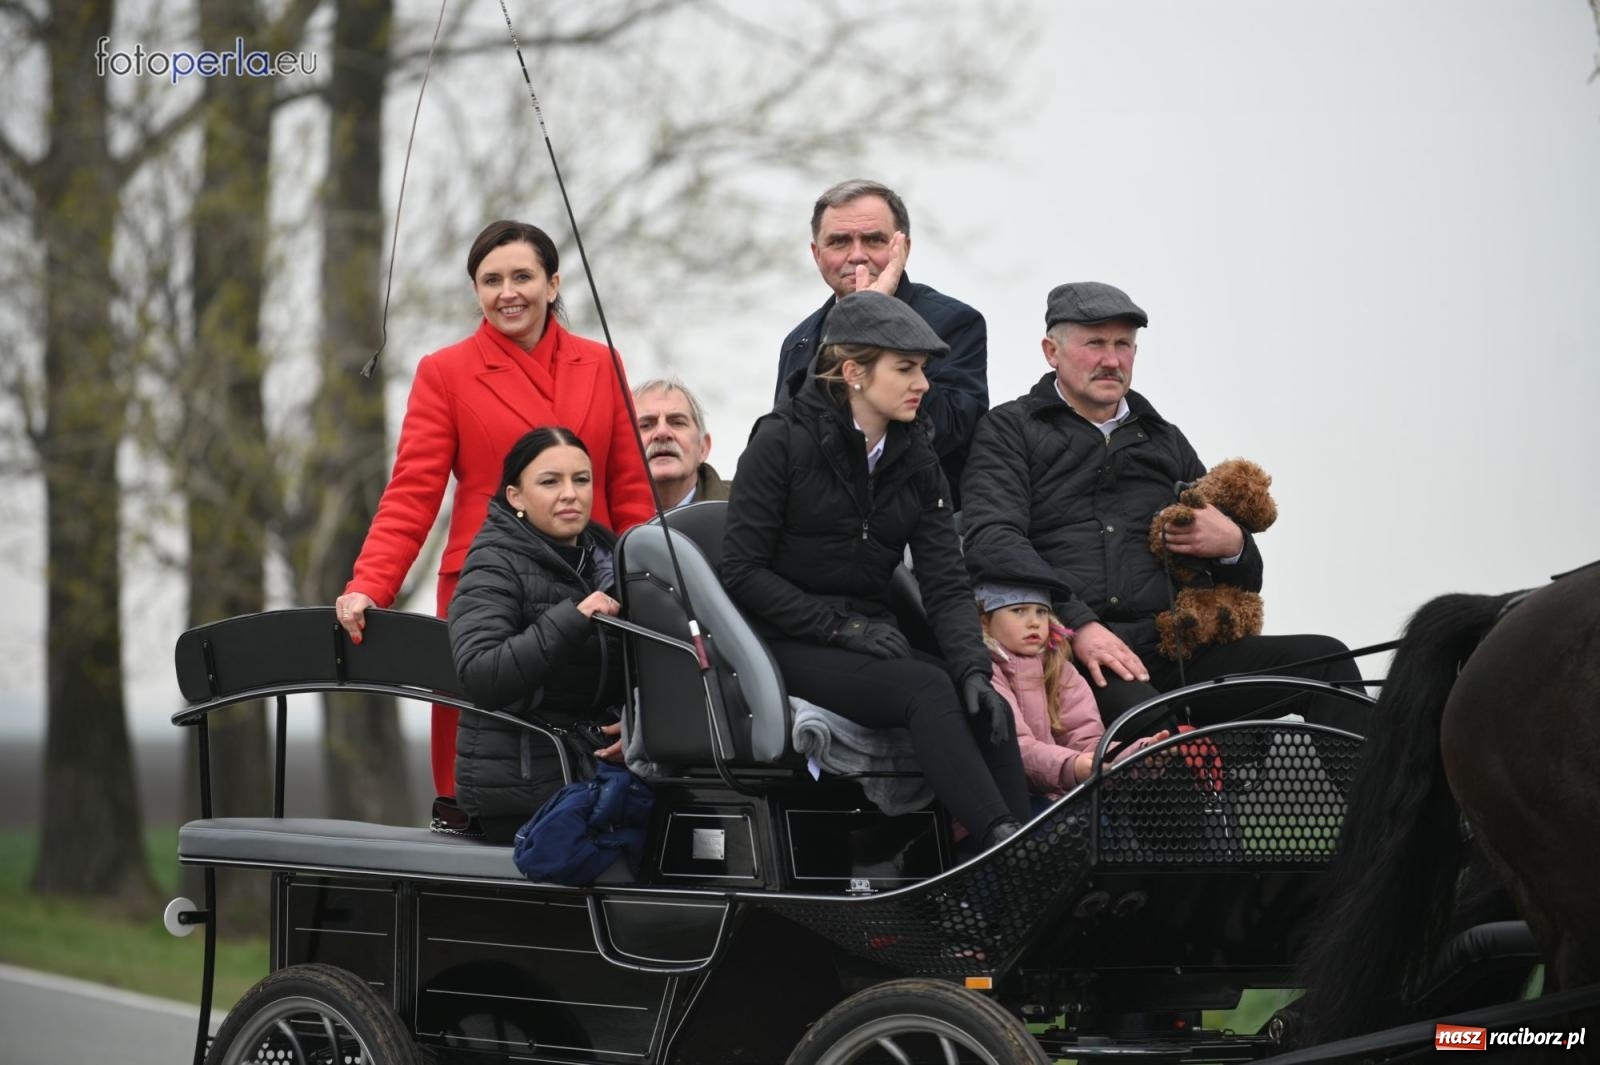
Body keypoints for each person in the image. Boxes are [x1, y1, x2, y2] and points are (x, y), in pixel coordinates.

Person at [335, 220, 654, 799]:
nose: (508, 292)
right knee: (485, 753)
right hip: (491, 589)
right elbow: (412, 492)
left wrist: (652, 593)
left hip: (594, 585)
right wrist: (369, 585)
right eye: (491, 280)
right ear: (476, 291)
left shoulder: (601, 363)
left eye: (522, 276)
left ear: (553, 284)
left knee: (598, 744)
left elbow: (631, 492)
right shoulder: (446, 372)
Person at [961, 282, 1365, 732]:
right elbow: (994, 540)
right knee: (1155, 729)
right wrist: (1077, 625)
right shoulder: (1009, 430)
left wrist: (1233, 544)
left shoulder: (1163, 439)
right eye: (1095, 343)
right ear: (1051, 351)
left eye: (1123, 345)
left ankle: (1383, 804)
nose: (1112, 360)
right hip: (1070, 652)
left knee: (1328, 664)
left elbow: (1244, 582)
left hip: (1177, 646)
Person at [725, 290, 1032, 851]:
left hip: (868, 635)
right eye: (906, 368)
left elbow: (944, 582)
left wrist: (972, 669)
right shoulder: (779, 441)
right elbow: (742, 573)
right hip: (783, 638)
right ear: (853, 373)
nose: (923, 383)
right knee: (925, 689)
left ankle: (1031, 848)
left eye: (923, 369)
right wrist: (843, 629)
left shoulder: (917, 460)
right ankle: (1002, 844)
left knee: (983, 704)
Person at [446, 427, 625, 843]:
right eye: (550, 481)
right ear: (516, 497)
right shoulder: (493, 562)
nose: (570, 493)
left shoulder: (611, 557)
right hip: (521, 799)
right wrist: (574, 618)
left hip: (594, 777)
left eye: (581, 480)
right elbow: (482, 675)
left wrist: (636, 721)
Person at [776, 179, 988, 501]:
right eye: (839, 242)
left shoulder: (954, 323)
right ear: (817, 254)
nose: (857, 255)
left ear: (903, 249)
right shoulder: (800, 342)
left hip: (922, 523)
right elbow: (786, 445)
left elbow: (949, 433)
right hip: (821, 525)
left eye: (874, 240)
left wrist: (874, 318)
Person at [976, 576, 1167, 804]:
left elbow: (1084, 741)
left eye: (1041, 611)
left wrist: (1136, 754)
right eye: (1018, 610)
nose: (1034, 622)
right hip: (1002, 804)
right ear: (985, 621)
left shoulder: (1060, 669)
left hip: (1057, 796)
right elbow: (1016, 750)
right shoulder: (984, 673)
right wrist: (1072, 766)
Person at [633, 377, 731, 508]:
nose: (662, 433)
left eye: (677, 423)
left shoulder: (749, 510)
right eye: (645, 425)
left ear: (703, 447)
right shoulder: (600, 519)